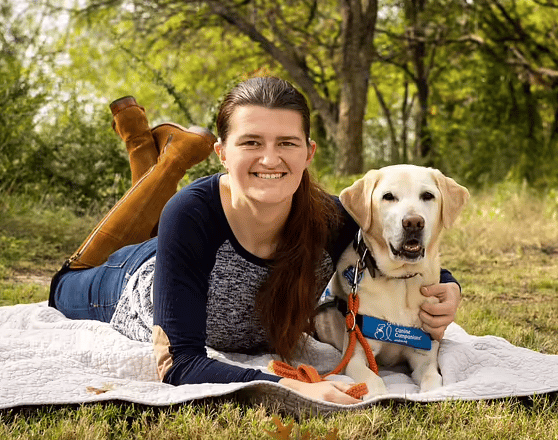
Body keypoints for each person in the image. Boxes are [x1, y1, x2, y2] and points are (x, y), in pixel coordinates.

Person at [49, 77, 461, 405]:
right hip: (129, 282)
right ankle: (168, 159)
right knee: (66, 279)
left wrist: (450, 286)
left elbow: (393, 244)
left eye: (286, 143)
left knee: (164, 222)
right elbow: (180, 364)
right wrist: (292, 386)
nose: (270, 159)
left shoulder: (331, 218)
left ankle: (151, 155)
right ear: (222, 153)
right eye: (250, 143)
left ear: (308, 152)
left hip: (182, 247)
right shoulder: (192, 213)